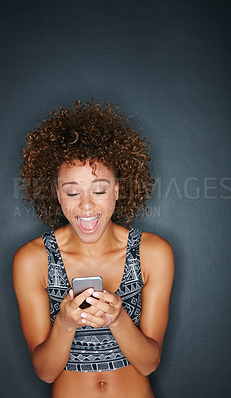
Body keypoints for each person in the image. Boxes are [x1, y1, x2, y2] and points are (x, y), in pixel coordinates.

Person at [13, 100, 175, 398]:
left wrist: (118, 317)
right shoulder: (32, 260)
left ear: (117, 189)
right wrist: (64, 323)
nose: (86, 205)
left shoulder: (152, 253)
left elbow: (149, 363)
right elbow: (45, 372)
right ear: (57, 194)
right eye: (72, 191)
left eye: (99, 190)